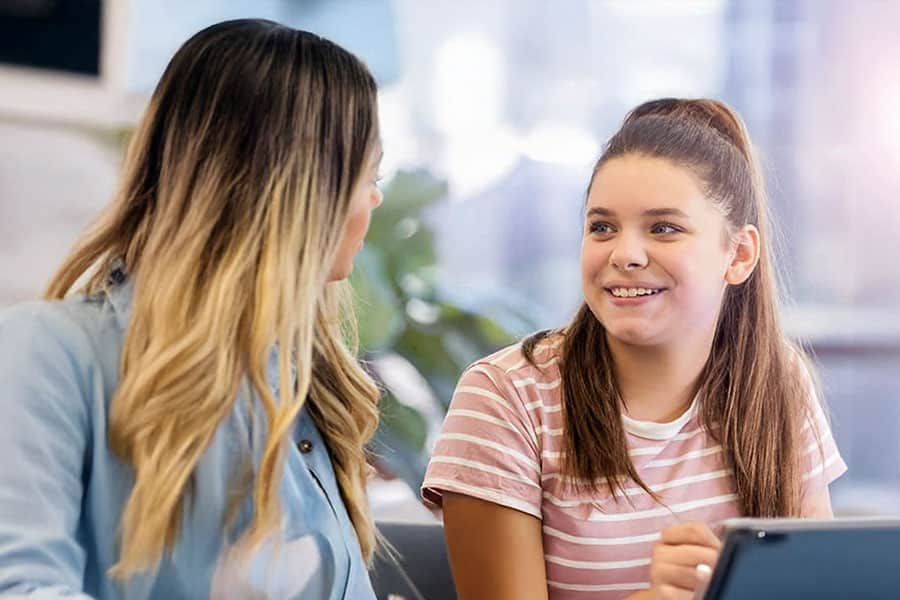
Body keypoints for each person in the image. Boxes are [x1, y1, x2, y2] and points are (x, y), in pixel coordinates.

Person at [0, 19, 385, 599]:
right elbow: (21, 586)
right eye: (367, 175)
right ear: (303, 188)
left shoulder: (306, 389)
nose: (375, 197)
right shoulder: (47, 352)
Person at [422, 98, 846, 600]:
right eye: (602, 227)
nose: (624, 254)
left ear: (739, 254)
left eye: (663, 228)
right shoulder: (505, 398)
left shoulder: (779, 383)